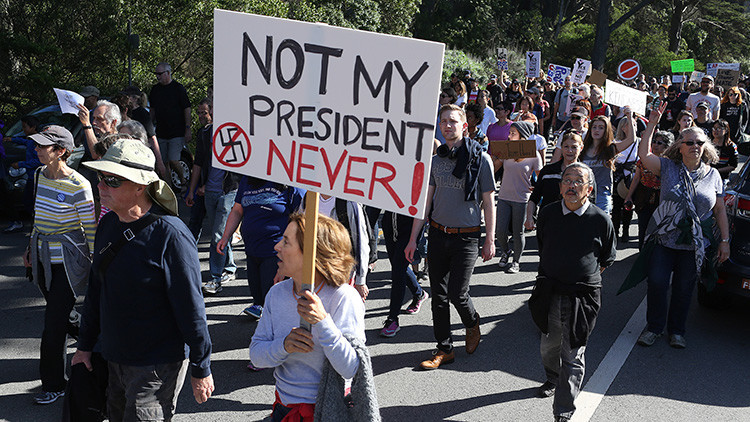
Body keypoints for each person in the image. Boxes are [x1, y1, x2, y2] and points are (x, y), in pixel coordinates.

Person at [74, 139, 213, 419]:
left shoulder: (170, 234)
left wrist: (202, 367)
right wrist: (84, 346)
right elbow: (96, 290)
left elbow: (191, 306)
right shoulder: (108, 224)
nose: (101, 185)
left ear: (140, 186)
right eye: (100, 177)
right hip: (113, 356)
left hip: (155, 365)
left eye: (112, 180)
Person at [248, 214, 378, 420]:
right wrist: (284, 346)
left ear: (312, 255)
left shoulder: (343, 297)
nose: (277, 247)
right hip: (283, 409)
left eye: (286, 242)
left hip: (329, 411)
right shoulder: (276, 293)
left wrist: (323, 322)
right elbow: (256, 355)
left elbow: (351, 369)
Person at [629, 103, 730, 349]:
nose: (695, 146)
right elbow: (644, 156)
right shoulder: (669, 167)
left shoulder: (713, 175)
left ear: (705, 147)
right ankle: (654, 328)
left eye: (699, 143)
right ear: (680, 147)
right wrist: (651, 124)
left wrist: (725, 241)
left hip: (694, 245)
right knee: (657, 282)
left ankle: (677, 331)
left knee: (684, 289)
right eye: (689, 143)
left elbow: (719, 210)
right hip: (664, 240)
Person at [405, 104, 496, 370]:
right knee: (439, 295)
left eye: (453, 121)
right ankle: (444, 348)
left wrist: (489, 239)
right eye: (443, 121)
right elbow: (425, 203)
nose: (447, 125)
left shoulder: (481, 159)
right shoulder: (435, 161)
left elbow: (489, 202)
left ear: (464, 125)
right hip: (437, 233)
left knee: (458, 293)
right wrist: (413, 239)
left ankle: (472, 323)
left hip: (466, 238)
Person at [530, 162, 616, 422]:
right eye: (567, 180)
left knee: (573, 353)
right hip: (550, 291)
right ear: (559, 187)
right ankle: (551, 377)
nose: (572, 185)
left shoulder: (600, 219)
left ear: (588, 189)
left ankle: (563, 412)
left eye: (579, 181)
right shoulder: (548, 214)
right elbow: (543, 245)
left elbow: (606, 258)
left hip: (583, 297)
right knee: (548, 345)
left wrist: (582, 275)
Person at [25, 125, 96, 405]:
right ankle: (87, 335)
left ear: (61, 151)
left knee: (52, 325)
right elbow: (37, 215)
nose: (37, 149)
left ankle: (55, 384)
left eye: (43, 146)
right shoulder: (39, 175)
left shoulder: (79, 185)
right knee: (60, 313)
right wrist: (29, 246)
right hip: (41, 255)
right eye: (38, 145)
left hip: (67, 261)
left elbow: (90, 228)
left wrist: (96, 264)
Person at [217, 177, 304, 317]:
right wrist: (225, 236)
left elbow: (301, 223)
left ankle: (273, 333)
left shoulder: (291, 185)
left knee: (272, 300)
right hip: (251, 250)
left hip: (275, 252)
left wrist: (287, 263)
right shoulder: (247, 180)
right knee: (258, 297)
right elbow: (237, 210)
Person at [184, 99, 241, 295]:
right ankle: (230, 267)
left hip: (229, 190)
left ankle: (215, 277)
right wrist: (192, 189)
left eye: (205, 112)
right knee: (224, 232)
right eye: (198, 113)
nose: (201, 117)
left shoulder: (234, 131)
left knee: (218, 233)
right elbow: (198, 163)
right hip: (210, 192)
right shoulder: (204, 133)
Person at [494, 121, 543, 273]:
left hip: (522, 199)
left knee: (517, 232)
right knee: (500, 231)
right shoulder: (507, 150)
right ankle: (505, 251)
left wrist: (537, 189)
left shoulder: (533, 154)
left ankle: (516, 261)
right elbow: (494, 167)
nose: (509, 135)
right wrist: (493, 157)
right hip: (503, 196)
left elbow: (540, 176)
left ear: (522, 134)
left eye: (513, 133)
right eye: (510, 133)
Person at [379, 211, 429, 338]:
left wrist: (414, 238)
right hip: (389, 222)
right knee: (397, 266)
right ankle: (419, 293)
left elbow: (424, 203)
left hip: (411, 226)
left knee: (398, 272)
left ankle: (392, 319)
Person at [526, 131, 585, 231]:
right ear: (561, 148)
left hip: (575, 225)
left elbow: (591, 202)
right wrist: (529, 218)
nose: (570, 150)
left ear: (581, 148)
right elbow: (534, 197)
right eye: (566, 146)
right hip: (548, 223)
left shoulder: (586, 174)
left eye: (574, 147)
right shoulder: (547, 171)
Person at [580, 111, 636, 214]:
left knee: (600, 226)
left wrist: (629, 117)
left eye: (601, 128)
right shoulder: (582, 149)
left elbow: (631, 140)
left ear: (606, 131)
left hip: (602, 195)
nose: (597, 130)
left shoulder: (610, 148)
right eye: (594, 127)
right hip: (583, 194)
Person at [624, 130, 671, 249]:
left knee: (659, 229)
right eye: (654, 142)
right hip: (643, 197)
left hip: (661, 199)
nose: (655, 145)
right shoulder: (644, 160)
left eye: (659, 143)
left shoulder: (669, 163)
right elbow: (636, 179)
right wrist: (629, 196)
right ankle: (641, 254)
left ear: (666, 146)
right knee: (643, 227)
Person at [150, 62, 192, 189]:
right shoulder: (155, 90)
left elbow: (187, 109)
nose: (158, 77)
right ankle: (168, 191)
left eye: (160, 74)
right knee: (162, 164)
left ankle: (184, 181)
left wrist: (188, 128)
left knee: (174, 160)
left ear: (168, 73)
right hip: (161, 132)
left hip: (177, 132)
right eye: (156, 74)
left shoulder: (178, 88)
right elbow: (152, 109)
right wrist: (150, 126)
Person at [1, 115, 42, 232]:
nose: (23, 130)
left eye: (25, 127)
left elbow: (38, 161)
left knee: (31, 201)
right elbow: (24, 141)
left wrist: (21, 164)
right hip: (31, 176)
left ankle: (38, 222)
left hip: (35, 176)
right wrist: (12, 139)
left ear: (33, 127)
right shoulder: (30, 139)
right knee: (27, 200)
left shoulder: (37, 141)